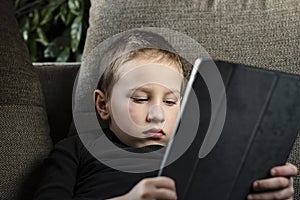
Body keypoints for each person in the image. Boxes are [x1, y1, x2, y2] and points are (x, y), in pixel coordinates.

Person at [34, 30, 298, 200]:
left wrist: (270, 194)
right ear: (103, 105)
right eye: (140, 98)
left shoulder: (200, 153)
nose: (157, 114)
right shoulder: (78, 149)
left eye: (171, 101)